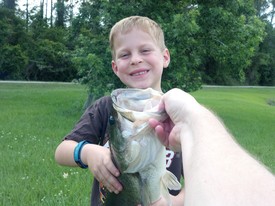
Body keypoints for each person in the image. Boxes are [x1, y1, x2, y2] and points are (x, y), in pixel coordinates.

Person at [55, 16, 184, 205]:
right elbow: (61, 152)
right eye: (125, 55)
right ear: (115, 67)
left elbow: (205, 178)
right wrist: (88, 153)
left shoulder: (180, 113)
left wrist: (172, 203)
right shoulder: (107, 108)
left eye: (145, 50)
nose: (135, 60)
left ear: (165, 57)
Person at [149, 88, 275, 206]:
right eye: (127, 61)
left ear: (165, 62)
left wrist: (173, 201)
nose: (135, 62)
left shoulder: (174, 118)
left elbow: (210, 181)